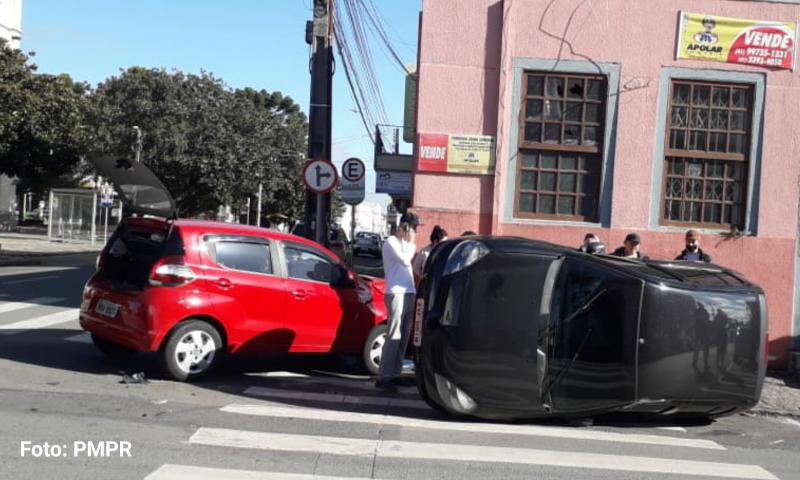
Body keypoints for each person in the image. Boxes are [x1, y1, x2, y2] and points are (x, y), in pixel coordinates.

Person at [376, 212, 420, 392]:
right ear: (404, 226)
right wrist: (410, 241)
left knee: (403, 336)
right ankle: (384, 376)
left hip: (409, 291)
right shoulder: (391, 242)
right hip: (396, 293)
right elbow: (404, 259)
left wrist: (409, 242)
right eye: (413, 227)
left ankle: (395, 373)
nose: (415, 231)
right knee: (393, 334)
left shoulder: (405, 244)